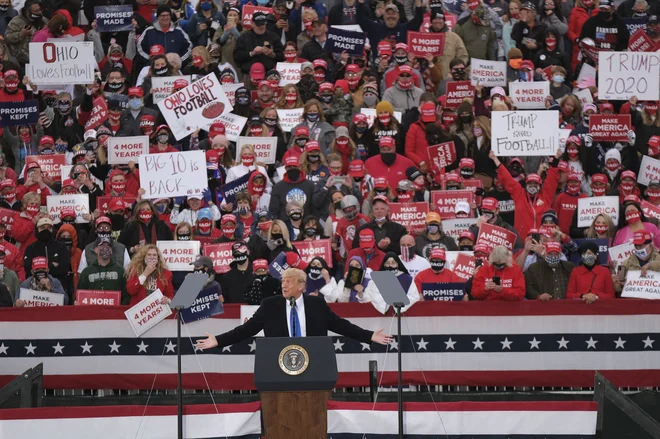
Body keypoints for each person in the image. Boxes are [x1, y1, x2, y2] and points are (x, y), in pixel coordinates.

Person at [194, 267, 393, 349]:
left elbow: (341, 326)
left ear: (301, 286)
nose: (284, 285)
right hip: (279, 362)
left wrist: (369, 336)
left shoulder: (316, 305)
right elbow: (246, 330)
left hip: (312, 361)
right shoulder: (270, 305)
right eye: (283, 281)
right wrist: (218, 340)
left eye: (289, 281)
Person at [77, 237, 129, 305]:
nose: (106, 248)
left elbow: (126, 295)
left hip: (114, 313)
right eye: (102, 245)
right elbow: (80, 294)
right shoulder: (86, 272)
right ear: (95, 249)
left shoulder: (120, 271)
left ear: (112, 250)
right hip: (92, 313)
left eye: (108, 246)